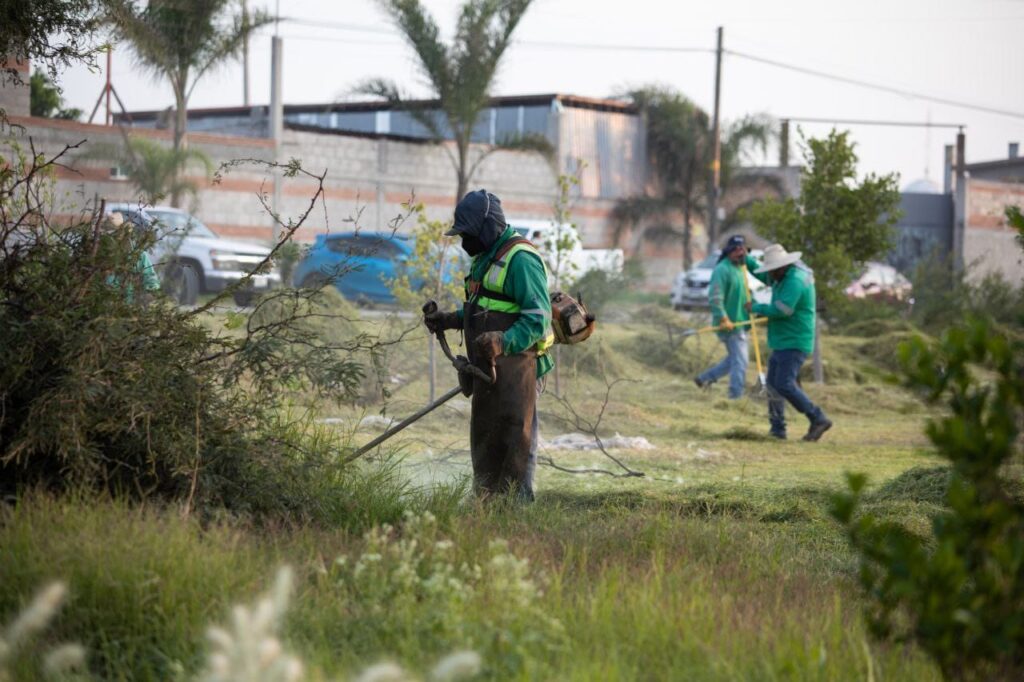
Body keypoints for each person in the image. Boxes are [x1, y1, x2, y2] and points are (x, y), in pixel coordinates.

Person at [423, 190, 554, 501]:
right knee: (486, 439)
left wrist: (503, 341)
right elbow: (482, 308)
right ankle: (487, 504)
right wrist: (449, 320)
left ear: (488, 226)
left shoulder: (521, 260)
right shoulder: (485, 257)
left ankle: (518, 508)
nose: (464, 241)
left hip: (520, 368)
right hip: (490, 368)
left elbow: (538, 319)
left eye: (468, 233)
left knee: (515, 441)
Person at [745, 243, 833, 441]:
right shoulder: (781, 275)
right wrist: (747, 260)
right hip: (782, 339)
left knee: (784, 384)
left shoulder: (795, 280)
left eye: (771, 271)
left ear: (781, 266)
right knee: (774, 386)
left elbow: (783, 309)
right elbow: (762, 275)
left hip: (795, 339)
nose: (770, 275)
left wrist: (756, 307)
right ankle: (777, 429)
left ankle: (818, 418)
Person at [694, 235, 760, 399]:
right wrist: (723, 318)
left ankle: (704, 379)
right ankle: (735, 396)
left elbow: (745, 294)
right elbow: (715, 296)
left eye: (743, 250)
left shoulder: (740, 269)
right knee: (741, 361)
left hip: (741, 322)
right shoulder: (722, 269)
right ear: (729, 251)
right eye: (737, 250)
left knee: (733, 360)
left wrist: (757, 306)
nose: (741, 253)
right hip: (729, 324)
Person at [105, 211, 161, 303]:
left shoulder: (139, 255)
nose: (114, 237)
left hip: (129, 306)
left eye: (116, 233)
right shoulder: (98, 253)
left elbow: (150, 277)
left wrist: (150, 291)